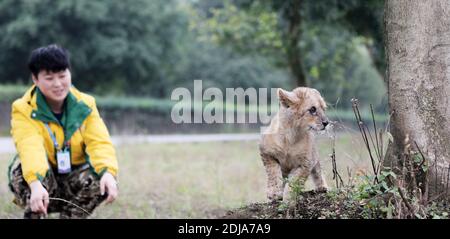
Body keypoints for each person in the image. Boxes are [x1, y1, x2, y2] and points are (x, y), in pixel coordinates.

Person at [8, 44, 119, 219]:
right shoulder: (23, 109)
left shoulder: (86, 105)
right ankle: (35, 213)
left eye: (62, 75)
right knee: (23, 174)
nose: (58, 84)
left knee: (100, 178)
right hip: (44, 180)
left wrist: (108, 173)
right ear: (35, 79)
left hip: (73, 179)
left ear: (70, 73)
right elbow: (30, 147)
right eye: (49, 78)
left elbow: (99, 142)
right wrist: (36, 184)